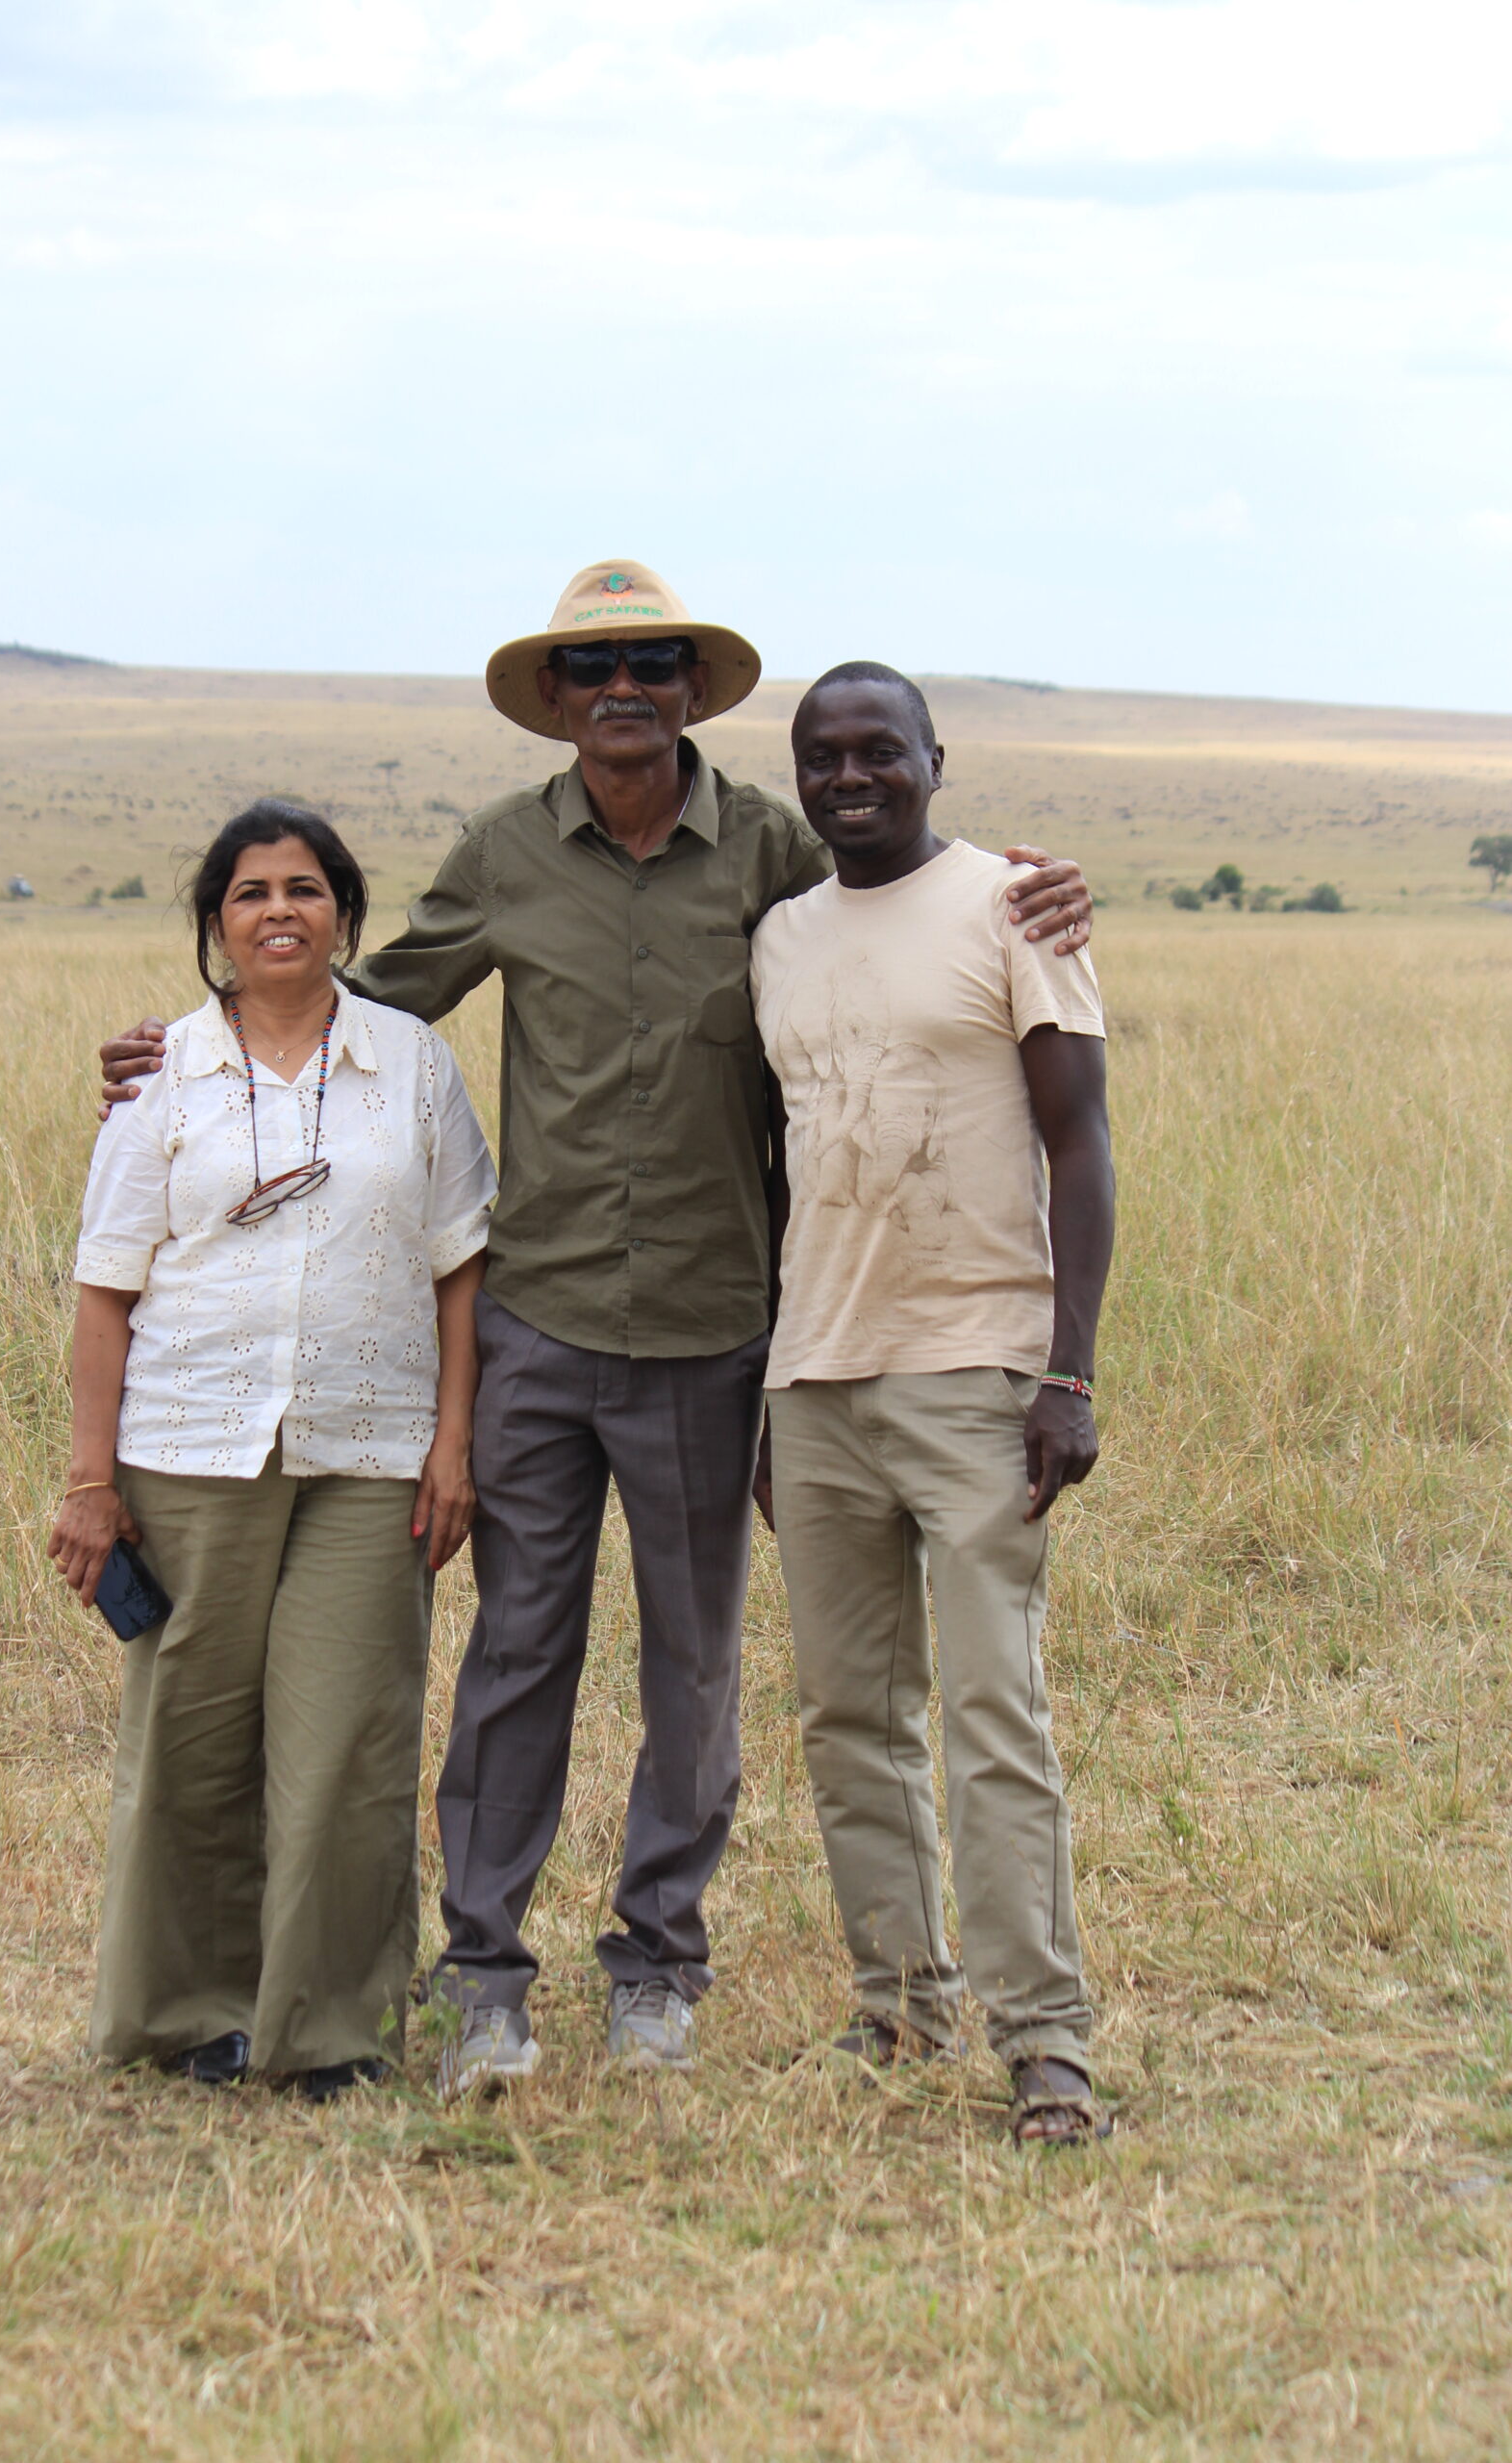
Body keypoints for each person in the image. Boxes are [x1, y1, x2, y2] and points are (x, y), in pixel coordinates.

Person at [98, 565, 1096, 2098]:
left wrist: (1046, 890)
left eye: (652, 659)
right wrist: (202, 1045)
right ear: (556, 700)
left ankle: (658, 1968)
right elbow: (379, 996)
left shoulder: (770, 844)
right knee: (516, 1652)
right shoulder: (505, 850)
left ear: (692, 688)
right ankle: (485, 1974)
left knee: (696, 1668)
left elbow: (892, 900)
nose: (623, 684)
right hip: (540, 1327)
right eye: (593, 666)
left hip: (715, 1333)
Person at [52, 800, 495, 2101]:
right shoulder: (163, 1076)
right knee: (190, 1734)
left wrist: (452, 1443)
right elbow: (104, 1289)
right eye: (251, 894)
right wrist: (90, 1482)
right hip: (188, 1448)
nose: (280, 912)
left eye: (305, 889)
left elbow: (461, 1263)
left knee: (348, 1743)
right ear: (216, 926)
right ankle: (187, 2014)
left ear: (346, 917)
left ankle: (331, 2034)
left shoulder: (412, 1063)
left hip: (372, 1452)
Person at [751, 664, 1115, 2146]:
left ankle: (1046, 2044)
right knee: (849, 1713)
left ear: (933, 762)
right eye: (823, 757)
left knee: (990, 1708)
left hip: (975, 1365)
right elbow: (782, 1160)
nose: (852, 778)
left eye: (879, 752)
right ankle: (901, 2000)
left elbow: (1079, 1145)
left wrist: (1069, 1370)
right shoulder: (775, 935)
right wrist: (768, 1389)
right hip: (813, 1374)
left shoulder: (1013, 910)